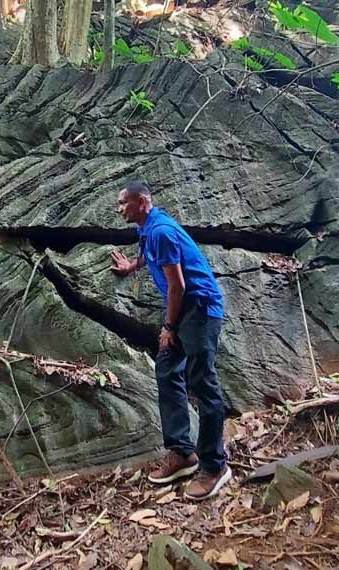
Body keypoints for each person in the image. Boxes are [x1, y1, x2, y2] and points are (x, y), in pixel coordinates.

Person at [110, 180, 231, 501]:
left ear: (142, 202)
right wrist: (132, 265)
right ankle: (182, 453)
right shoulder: (149, 229)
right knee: (167, 370)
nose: (119, 208)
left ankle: (215, 466)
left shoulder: (161, 230)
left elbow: (177, 286)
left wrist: (169, 326)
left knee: (203, 383)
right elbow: (150, 254)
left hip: (200, 309)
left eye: (123, 203)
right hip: (185, 311)